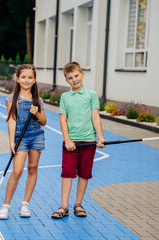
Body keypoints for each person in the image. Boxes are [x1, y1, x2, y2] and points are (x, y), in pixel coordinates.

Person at [51, 61, 105, 219]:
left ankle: (78, 203)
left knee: (84, 173)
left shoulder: (91, 95)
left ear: (82, 74)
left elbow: (95, 117)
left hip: (88, 142)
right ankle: (64, 206)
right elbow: (63, 120)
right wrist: (67, 140)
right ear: (66, 80)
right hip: (71, 143)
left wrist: (100, 137)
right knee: (67, 174)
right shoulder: (65, 97)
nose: (74, 79)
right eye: (70, 77)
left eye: (76, 76)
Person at [0, 64, 47, 220]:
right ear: (17, 79)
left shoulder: (37, 99)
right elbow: (11, 120)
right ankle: (6, 205)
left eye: (30, 77)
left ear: (34, 80)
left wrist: (37, 112)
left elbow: (44, 121)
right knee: (17, 171)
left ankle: (25, 203)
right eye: (23, 77)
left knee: (32, 168)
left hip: (36, 135)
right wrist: (11, 141)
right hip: (21, 137)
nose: (27, 80)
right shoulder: (12, 99)